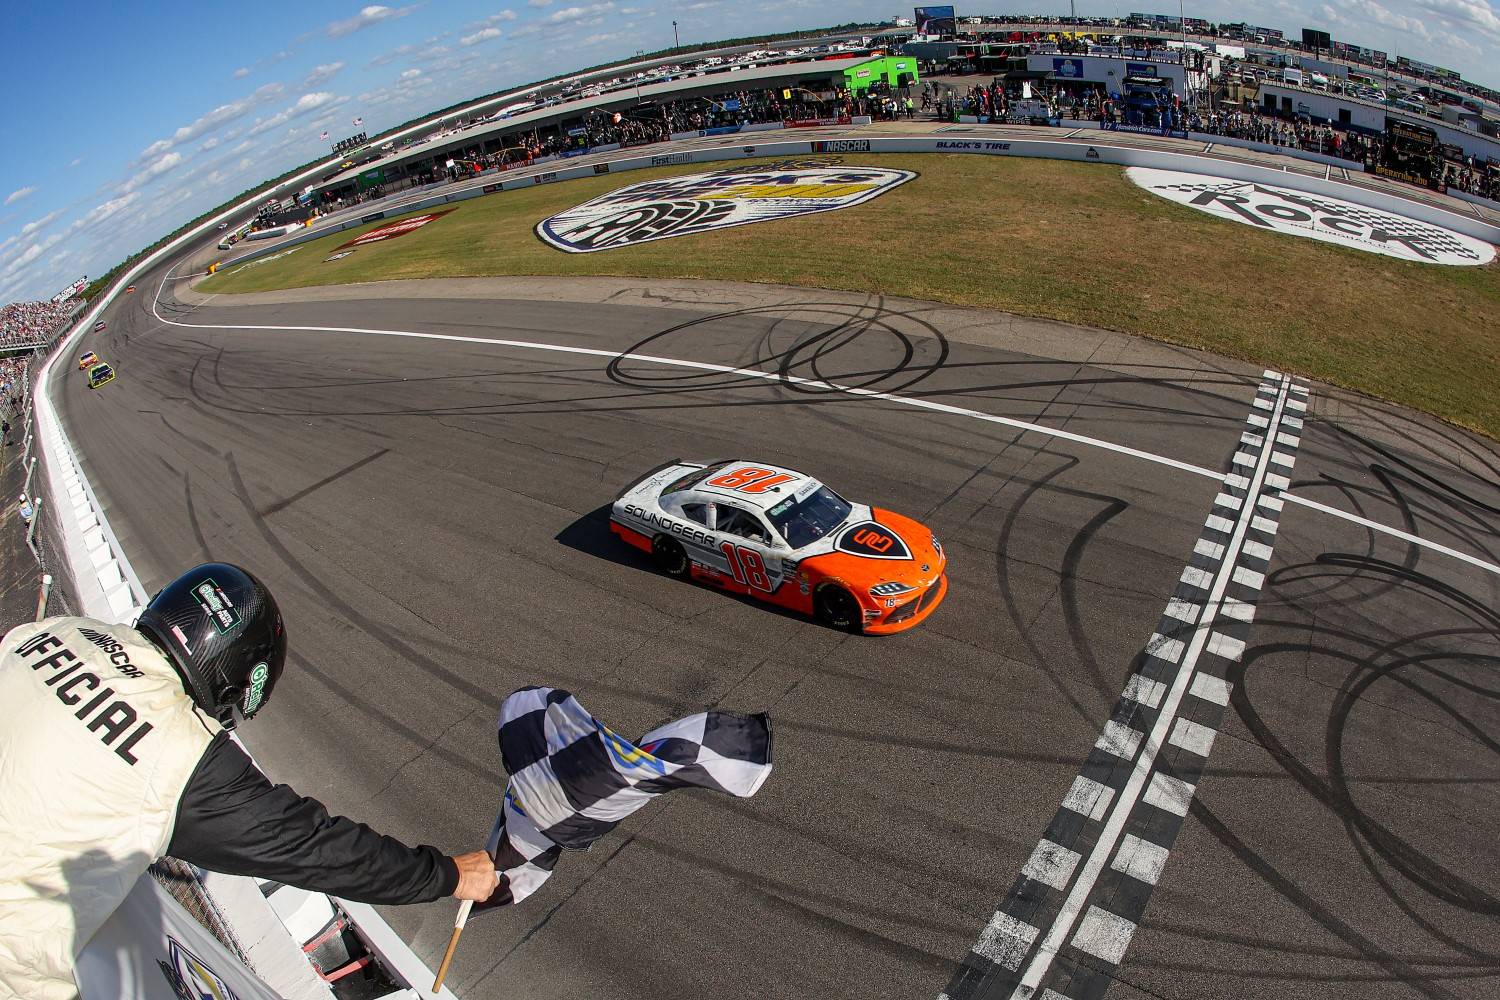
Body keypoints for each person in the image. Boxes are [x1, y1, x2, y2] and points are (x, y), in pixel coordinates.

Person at [0, 563, 498, 999]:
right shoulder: (181, 751)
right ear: (236, 679)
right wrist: (448, 874)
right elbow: (315, 847)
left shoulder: (49, 632)